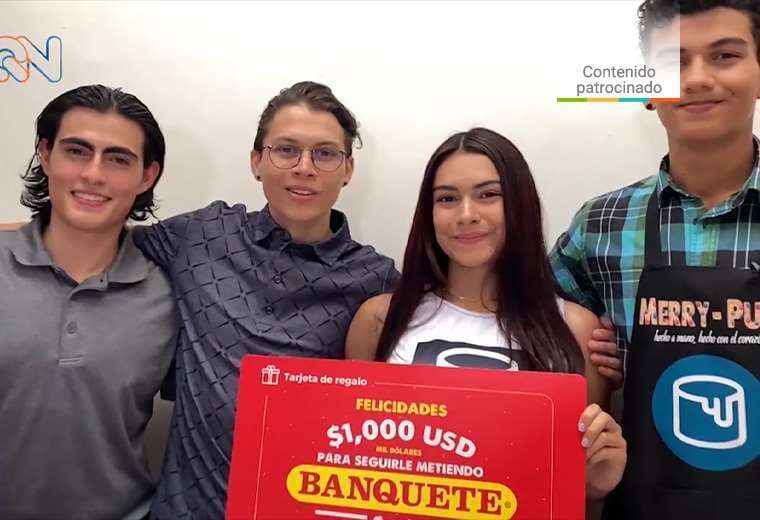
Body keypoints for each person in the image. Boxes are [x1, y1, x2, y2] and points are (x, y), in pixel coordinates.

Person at [131, 81, 398, 518]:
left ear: (348, 170)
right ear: (257, 162)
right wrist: (21, 240)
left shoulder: (377, 280)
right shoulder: (201, 237)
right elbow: (94, 239)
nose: (305, 167)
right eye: (286, 150)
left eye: (325, 153)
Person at [551, 1, 760, 518]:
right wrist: (584, 345)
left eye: (725, 55)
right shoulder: (600, 225)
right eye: (674, 62)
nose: (698, 78)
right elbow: (528, 330)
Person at [346, 127, 627, 501]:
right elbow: (353, 459)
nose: (466, 215)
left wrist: (599, 480)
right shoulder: (378, 319)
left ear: (520, 203)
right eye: (447, 198)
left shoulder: (576, 329)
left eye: (488, 195)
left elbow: (574, 484)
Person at [0, 85, 177, 520]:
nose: (94, 174)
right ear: (46, 154)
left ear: (147, 176)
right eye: (77, 151)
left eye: (118, 159)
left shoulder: (172, 294)